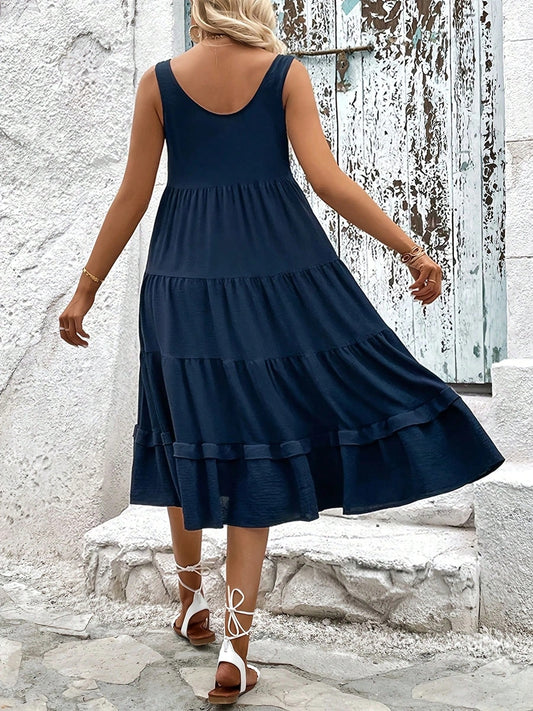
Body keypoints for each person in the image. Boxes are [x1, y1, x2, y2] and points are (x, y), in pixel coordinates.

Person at [58, 0, 505, 703]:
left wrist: (84, 291)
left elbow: (133, 196)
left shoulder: (159, 82)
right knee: (254, 448)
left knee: (184, 435)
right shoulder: (284, 74)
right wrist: (410, 249)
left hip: (180, 284)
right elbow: (326, 181)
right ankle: (234, 651)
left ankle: (191, 603)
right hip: (271, 281)